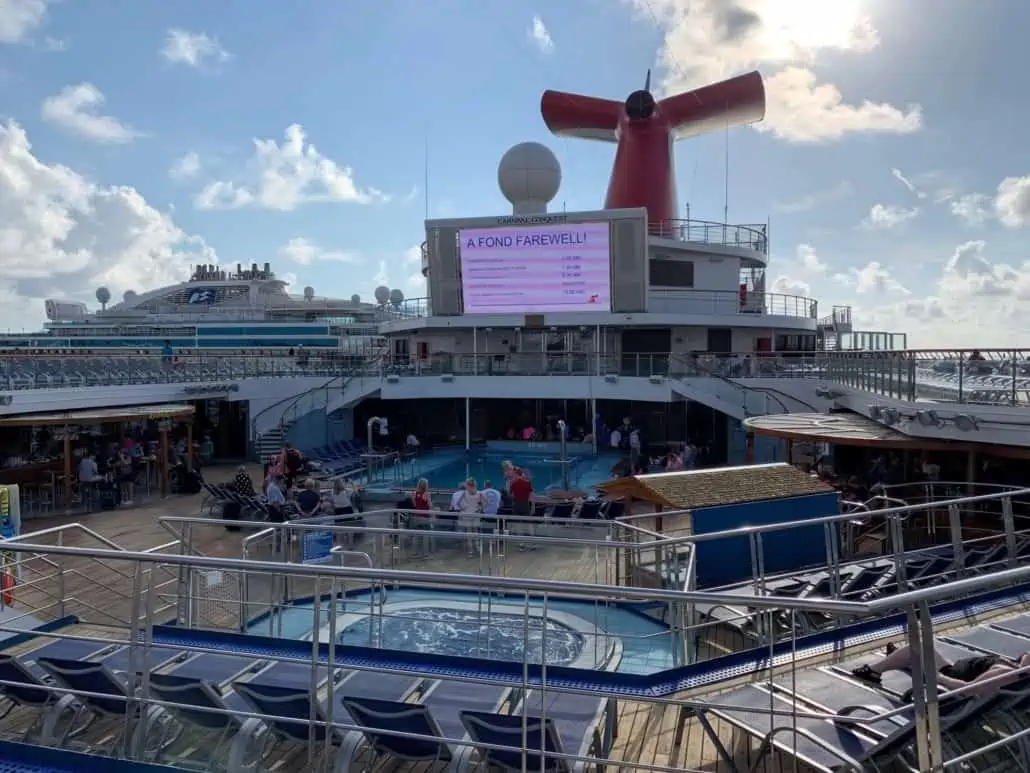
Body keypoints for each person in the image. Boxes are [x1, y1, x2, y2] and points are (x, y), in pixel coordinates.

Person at [852, 642, 1030, 699]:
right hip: (957, 670)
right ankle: (903, 659)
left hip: (950, 675)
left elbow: (969, 689)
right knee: (920, 653)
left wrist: (939, 678)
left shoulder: (1003, 672)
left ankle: (874, 671)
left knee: (917, 646)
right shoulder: (1020, 674)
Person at [454, 477, 486, 555]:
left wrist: (463, 509)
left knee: (469, 533)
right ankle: (477, 548)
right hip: (475, 514)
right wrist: (480, 509)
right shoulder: (479, 493)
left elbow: (457, 503)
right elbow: (486, 502)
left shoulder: (464, 493)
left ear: (468, 485)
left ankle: (470, 550)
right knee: (475, 532)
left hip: (467, 514)